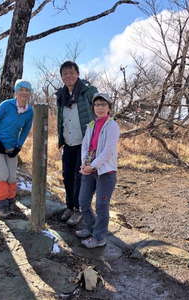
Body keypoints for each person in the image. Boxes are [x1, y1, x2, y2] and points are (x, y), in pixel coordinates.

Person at [75, 93, 120, 248]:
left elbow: (108, 151)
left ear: (108, 107)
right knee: (83, 201)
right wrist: (84, 164)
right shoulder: (91, 125)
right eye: (97, 105)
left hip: (106, 172)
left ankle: (99, 237)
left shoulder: (112, 125)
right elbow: (85, 146)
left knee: (101, 206)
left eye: (103, 104)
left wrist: (93, 165)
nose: (99, 108)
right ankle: (90, 227)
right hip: (89, 168)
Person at [56, 61, 98, 225]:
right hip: (68, 143)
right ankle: (70, 206)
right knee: (67, 176)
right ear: (62, 77)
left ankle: (80, 209)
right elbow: (62, 120)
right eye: (65, 73)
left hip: (85, 144)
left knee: (81, 177)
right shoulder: (61, 95)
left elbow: (101, 107)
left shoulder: (88, 91)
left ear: (77, 74)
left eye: (71, 72)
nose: (68, 76)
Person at [0, 79, 33, 218]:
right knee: (3, 175)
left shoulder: (29, 111)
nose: (24, 93)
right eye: (21, 90)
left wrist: (18, 146)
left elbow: (25, 130)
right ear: (16, 92)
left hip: (12, 147)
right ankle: (1, 204)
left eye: (27, 90)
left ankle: (11, 201)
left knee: (12, 176)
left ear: (30, 93)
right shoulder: (6, 105)